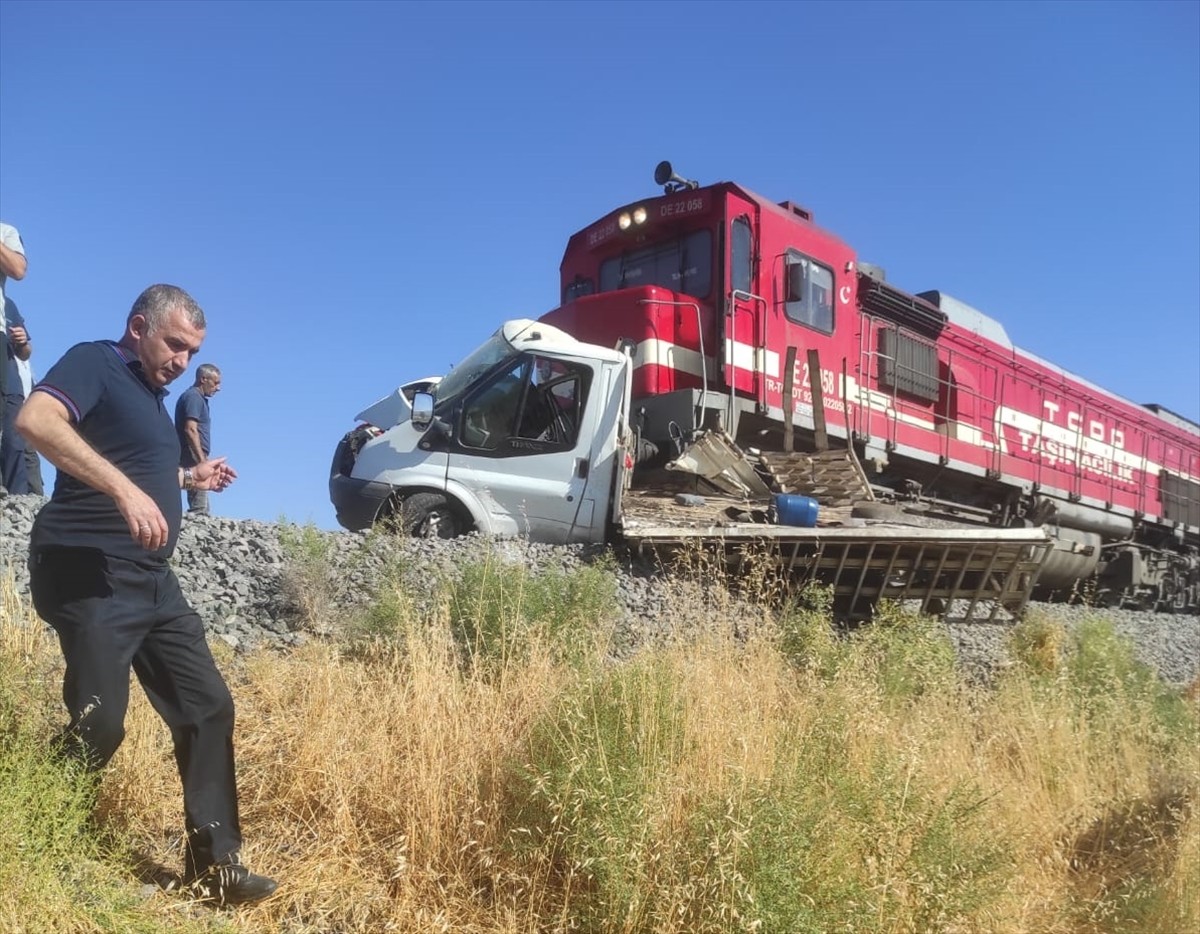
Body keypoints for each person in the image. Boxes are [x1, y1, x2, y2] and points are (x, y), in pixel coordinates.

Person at [14, 284, 278, 907]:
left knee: (207, 706)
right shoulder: (95, 361)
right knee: (100, 723)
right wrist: (125, 493)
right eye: (175, 344)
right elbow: (35, 421)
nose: (183, 361)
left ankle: (216, 867)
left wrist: (188, 477)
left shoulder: (154, 404)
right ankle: (29, 832)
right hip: (88, 568)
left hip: (153, 581)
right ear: (138, 327)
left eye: (193, 351)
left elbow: (137, 463)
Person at [0, 220, 28, 492]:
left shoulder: (5, 231)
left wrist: (21, 341)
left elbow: (18, 270)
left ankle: (17, 497)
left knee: (12, 431)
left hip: (5, 353)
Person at [174, 363, 221, 515]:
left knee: (202, 502)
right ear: (203, 379)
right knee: (199, 507)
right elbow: (190, 428)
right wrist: (201, 460)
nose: (218, 388)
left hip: (194, 452)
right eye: (215, 383)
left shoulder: (197, 398)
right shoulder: (193, 397)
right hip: (192, 452)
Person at [1, 296, 32, 493]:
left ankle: (17, 498)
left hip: (12, 385)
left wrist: (21, 342)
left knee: (14, 442)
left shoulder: (8, 303)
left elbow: (26, 352)